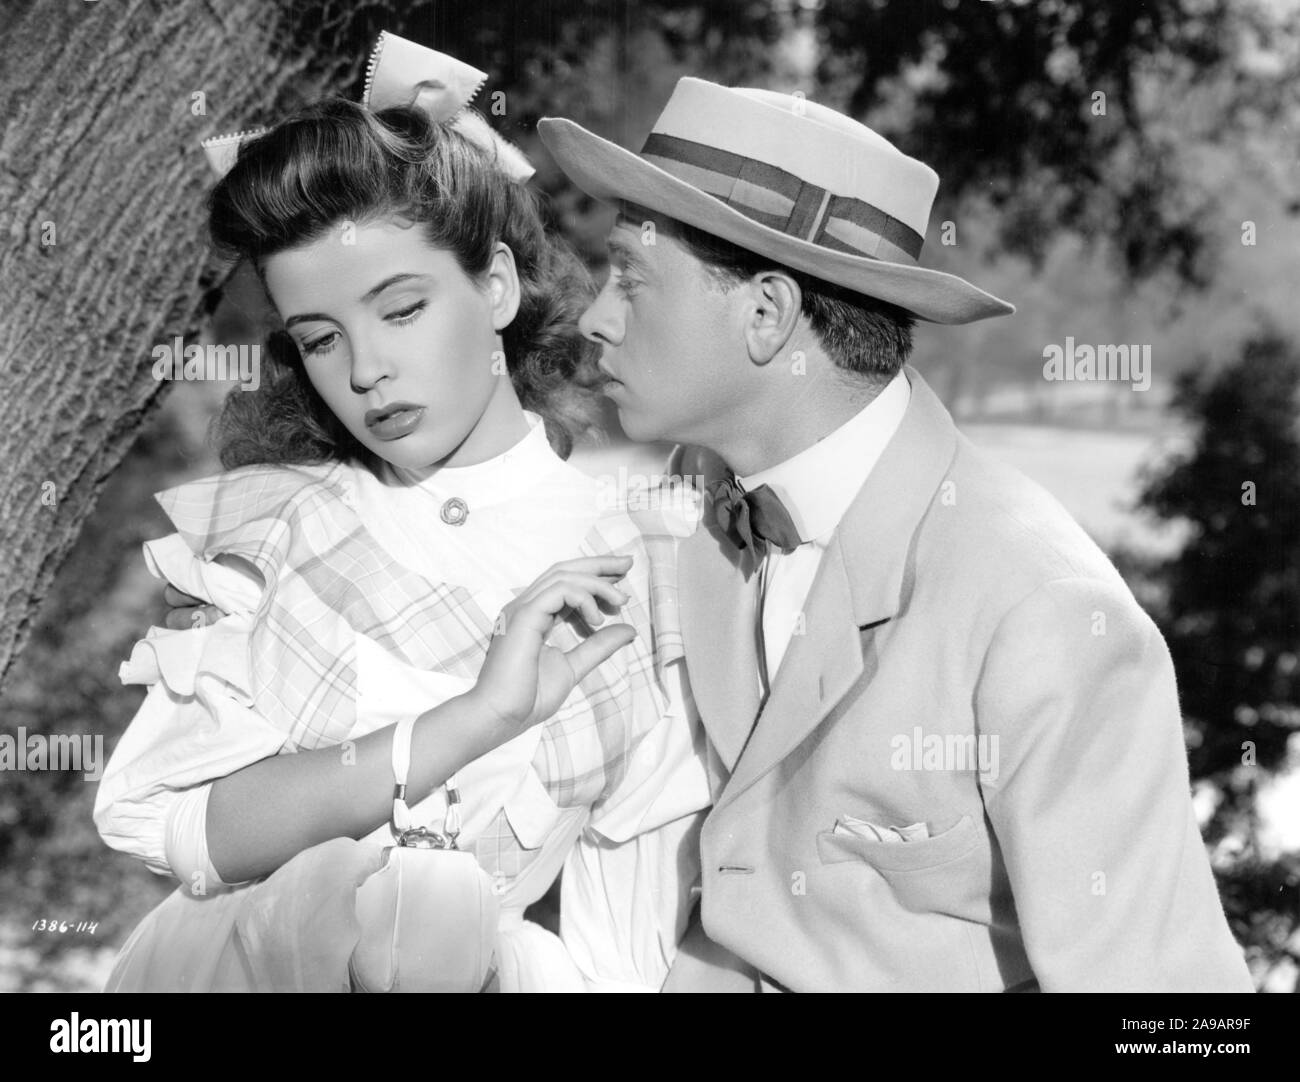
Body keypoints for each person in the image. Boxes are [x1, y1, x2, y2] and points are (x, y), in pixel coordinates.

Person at [531, 76, 1256, 992]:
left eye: (631, 276)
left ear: (767, 315)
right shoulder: (703, 500)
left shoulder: (1044, 612)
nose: (596, 316)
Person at [93, 36, 708, 993]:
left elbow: (625, 925)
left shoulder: (648, 562)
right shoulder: (280, 530)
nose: (366, 370)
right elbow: (173, 828)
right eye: (322, 337)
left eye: (402, 309)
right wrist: (471, 722)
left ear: (495, 286)